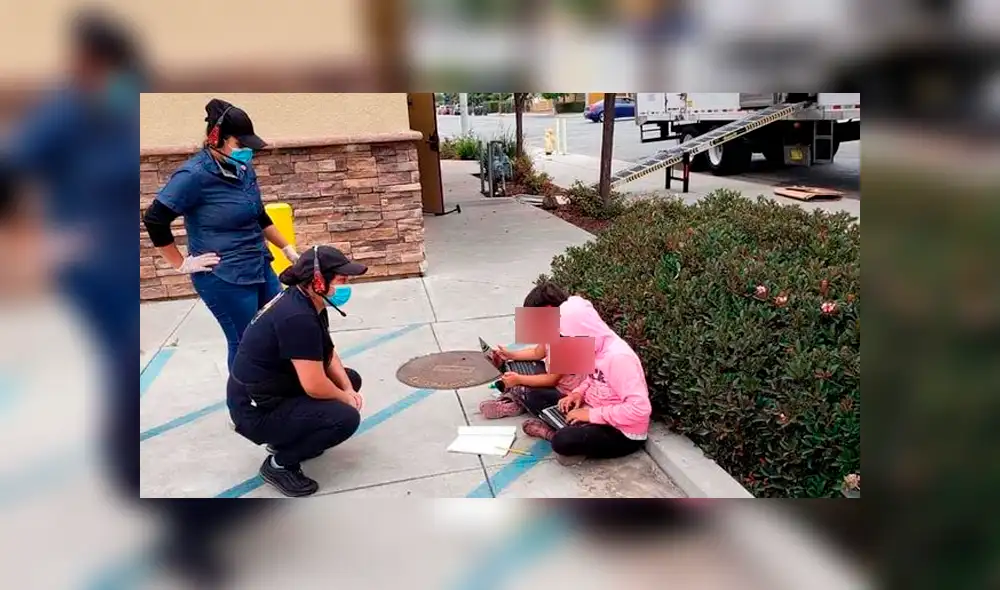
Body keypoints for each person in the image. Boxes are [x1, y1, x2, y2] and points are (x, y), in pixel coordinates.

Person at [141, 98, 299, 370]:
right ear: (216, 138)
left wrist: (287, 248)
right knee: (245, 342)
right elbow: (155, 219)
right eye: (240, 145)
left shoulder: (243, 169)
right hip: (224, 276)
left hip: (258, 264)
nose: (247, 152)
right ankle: (244, 405)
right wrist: (181, 263)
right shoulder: (193, 175)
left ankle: (274, 396)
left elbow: (258, 214)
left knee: (279, 328)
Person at [227, 245, 368, 497]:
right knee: (345, 418)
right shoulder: (297, 318)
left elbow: (327, 352)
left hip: (272, 388)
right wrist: (345, 399)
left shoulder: (308, 300)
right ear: (317, 280)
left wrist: (346, 387)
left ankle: (294, 434)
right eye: (341, 279)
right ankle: (280, 463)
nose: (346, 286)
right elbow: (314, 384)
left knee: (351, 378)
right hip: (254, 411)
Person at [519, 293, 652, 464]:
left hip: (621, 432)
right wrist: (577, 394)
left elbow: (639, 410)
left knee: (563, 441)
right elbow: (592, 379)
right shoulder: (592, 343)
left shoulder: (619, 358)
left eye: (566, 335)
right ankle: (568, 428)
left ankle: (555, 434)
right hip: (592, 408)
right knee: (532, 394)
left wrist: (590, 414)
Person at [479, 282, 585, 419]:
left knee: (530, 392)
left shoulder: (569, 339)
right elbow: (538, 353)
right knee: (512, 366)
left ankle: (514, 403)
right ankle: (515, 397)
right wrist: (511, 355)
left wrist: (519, 379)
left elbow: (551, 380)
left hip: (567, 393)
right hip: (554, 380)